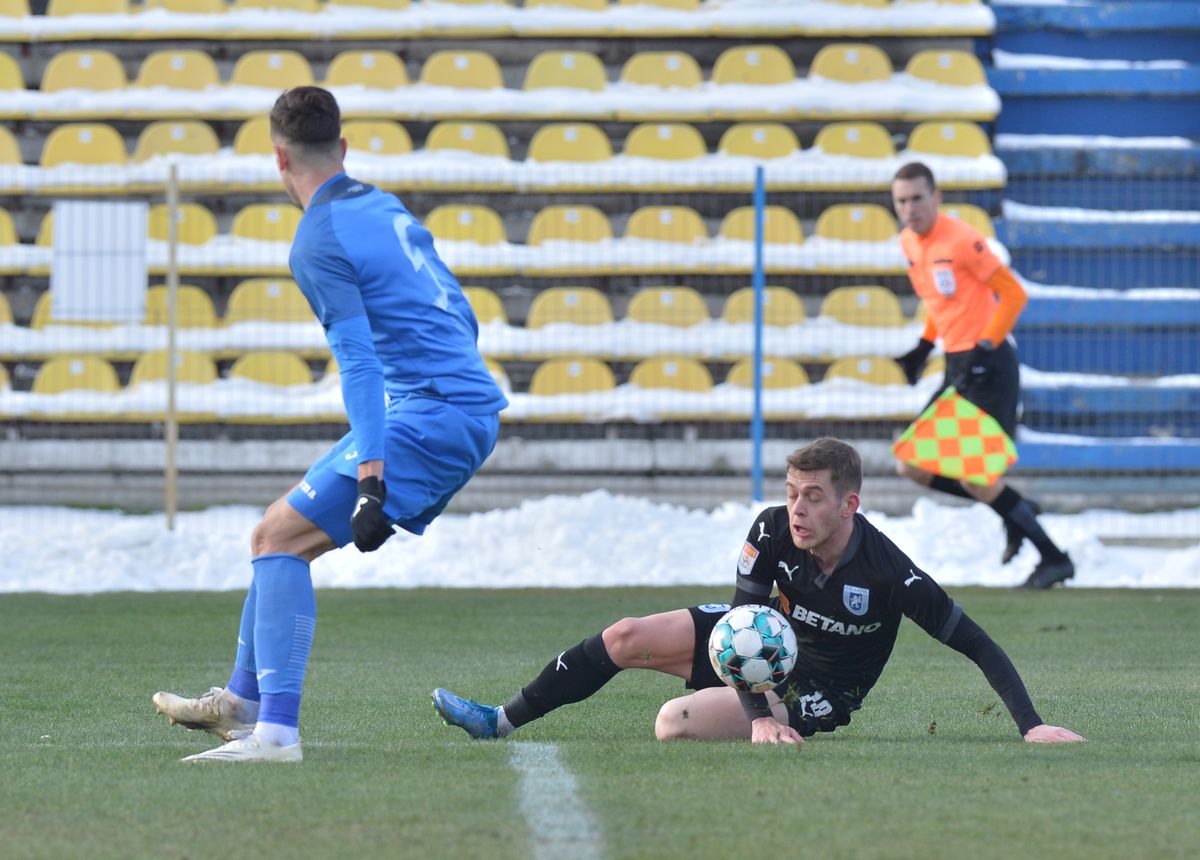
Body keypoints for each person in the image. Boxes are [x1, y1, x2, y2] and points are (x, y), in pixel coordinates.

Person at [152, 86, 508, 762]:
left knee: (279, 540)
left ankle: (276, 733)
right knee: (275, 534)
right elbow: (459, 310)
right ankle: (241, 699)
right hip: (456, 402)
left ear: (278, 159)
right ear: (341, 149)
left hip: (429, 412)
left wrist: (371, 479)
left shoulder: (316, 240)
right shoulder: (382, 205)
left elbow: (361, 366)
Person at [433, 438, 1085, 747]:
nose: (795, 509)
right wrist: (757, 712)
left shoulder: (890, 573)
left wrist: (1031, 727)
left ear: (849, 504)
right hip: (765, 645)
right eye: (790, 492)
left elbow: (977, 644)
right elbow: (744, 626)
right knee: (627, 635)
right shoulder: (771, 530)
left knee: (671, 725)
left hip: (821, 688)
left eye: (813, 497)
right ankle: (499, 721)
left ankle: (729, 706)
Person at [890, 161, 1074, 590]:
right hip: (958, 364)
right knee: (911, 465)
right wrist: (924, 345)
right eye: (902, 200)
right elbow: (943, 303)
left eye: (918, 198)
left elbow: (1013, 293)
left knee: (975, 475)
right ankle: (1016, 508)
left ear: (936, 198)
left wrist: (987, 345)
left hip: (988, 365)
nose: (910, 208)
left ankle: (1054, 558)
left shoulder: (962, 239)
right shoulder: (909, 243)